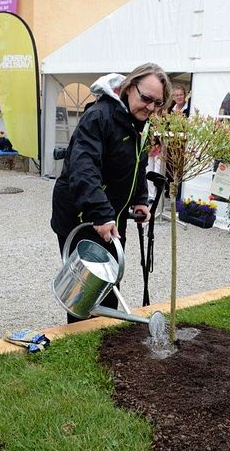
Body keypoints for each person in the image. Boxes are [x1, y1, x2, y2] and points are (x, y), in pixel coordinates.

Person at [51, 63, 171, 321]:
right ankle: (80, 343)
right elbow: (83, 169)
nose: (150, 107)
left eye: (157, 103)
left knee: (110, 282)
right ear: (129, 88)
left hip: (110, 216)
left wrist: (140, 199)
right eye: (146, 98)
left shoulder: (141, 123)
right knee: (84, 289)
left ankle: (104, 337)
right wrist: (101, 214)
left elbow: (137, 163)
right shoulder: (99, 117)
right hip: (82, 215)